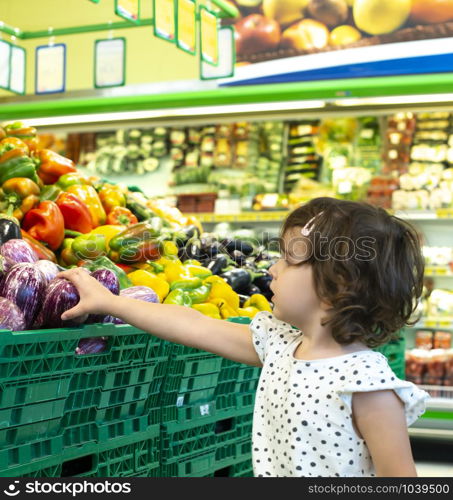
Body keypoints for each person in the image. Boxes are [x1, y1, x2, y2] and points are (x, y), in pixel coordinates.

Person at [58, 197, 429, 477]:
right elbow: (192, 325)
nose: (272, 267)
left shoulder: (367, 384)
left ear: (339, 283)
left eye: (287, 258)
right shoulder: (280, 345)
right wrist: (112, 302)